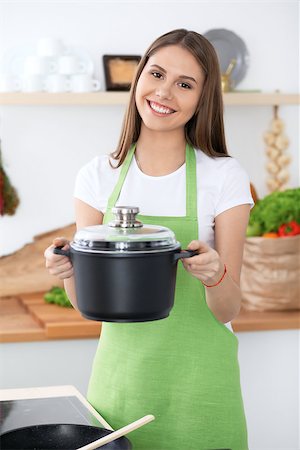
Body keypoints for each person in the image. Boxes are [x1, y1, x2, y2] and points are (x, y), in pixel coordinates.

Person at [44, 29, 253, 450]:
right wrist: (68, 270)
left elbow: (229, 306)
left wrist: (214, 275)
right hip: (122, 385)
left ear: (202, 99)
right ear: (137, 78)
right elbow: (88, 305)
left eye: (185, 84)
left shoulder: (224, 177)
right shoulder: (97, 177)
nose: (164, 92)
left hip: (202, 388)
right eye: (156, 74)